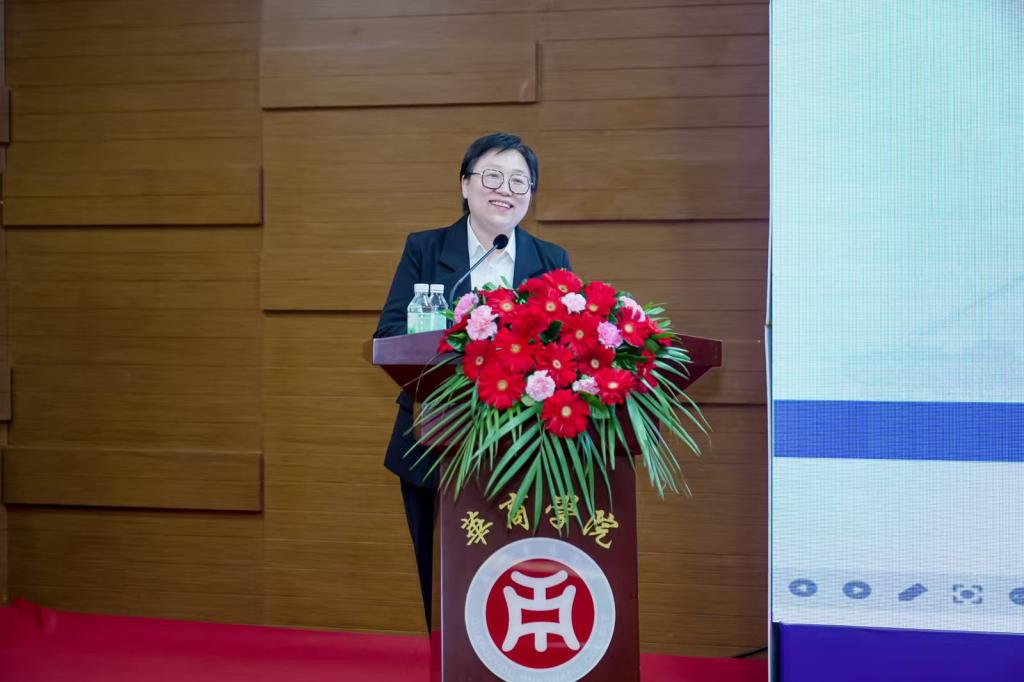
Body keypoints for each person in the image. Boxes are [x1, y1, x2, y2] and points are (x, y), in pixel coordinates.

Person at [374, 132, 572, 628]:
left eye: (519, 181)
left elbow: (570, 349)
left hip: (527, 447)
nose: (505, 189)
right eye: (492, 176)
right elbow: (391, 335)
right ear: (465, 185)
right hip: (434, 440)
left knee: (516, 574)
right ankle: (446, 657)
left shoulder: (552, 259)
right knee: (444, 577)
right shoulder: (425, 249)